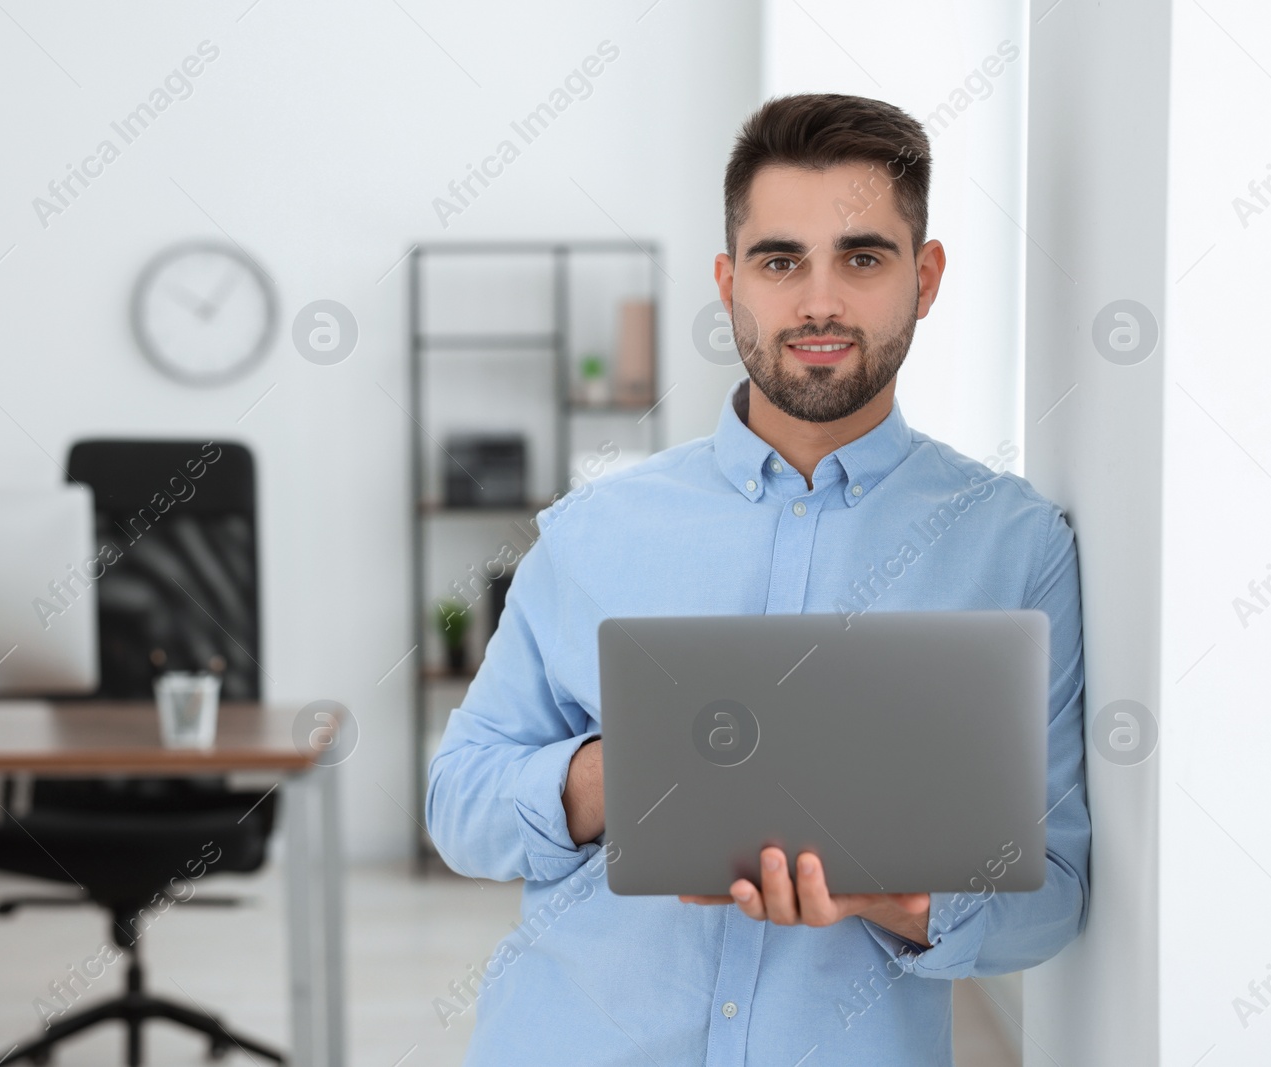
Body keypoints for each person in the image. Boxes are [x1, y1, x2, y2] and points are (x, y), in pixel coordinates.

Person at [426, 92, 1090, 1066]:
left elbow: (1057, 888)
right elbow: (458, 804)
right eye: (781, 261)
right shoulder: (594, 530)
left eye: (862, 257)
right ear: (729, 281)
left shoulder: (1013, 546)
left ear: (926, 276)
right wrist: (620, 773)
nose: (818, 301)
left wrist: (896, 898)